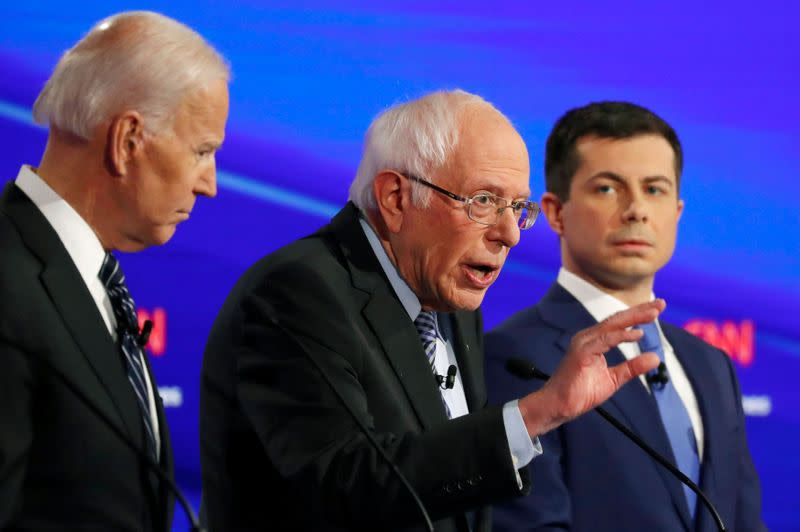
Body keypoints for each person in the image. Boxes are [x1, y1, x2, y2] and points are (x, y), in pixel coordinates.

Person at [200, 90, 665, 531]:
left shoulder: (448, 298)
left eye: (518, 207)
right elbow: (347, 485)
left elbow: (450, 490)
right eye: (483, 201)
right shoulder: (299, 292)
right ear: (396, 198)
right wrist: (533, 415)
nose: (510, 234)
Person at [485, 101, 764, 532]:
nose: (636, 210)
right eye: (608, 189)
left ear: (677, 212)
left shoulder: (711, 365)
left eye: (655, 189)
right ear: (556, 212)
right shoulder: (515, 356)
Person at [0, 11, 229, 530]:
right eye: (202, 151)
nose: (209, 184)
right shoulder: (8, 281)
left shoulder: (94, 280)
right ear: (128, 140)